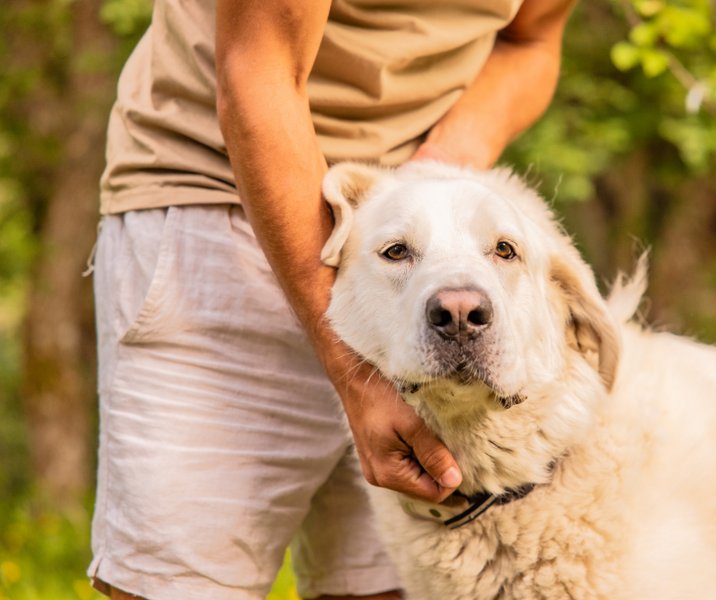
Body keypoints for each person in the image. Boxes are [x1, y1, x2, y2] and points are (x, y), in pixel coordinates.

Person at [88, 0, 575, 598]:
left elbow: (530, 41)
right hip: (219, 201)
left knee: (377, 588)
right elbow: (257, 74)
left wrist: (425, 184)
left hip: (405, 248)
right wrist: (357, 374)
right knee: (179, 587)